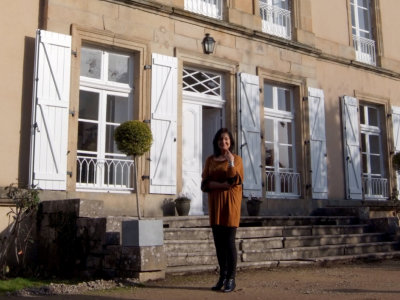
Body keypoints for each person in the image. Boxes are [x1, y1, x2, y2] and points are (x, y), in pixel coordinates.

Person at [201, 128, 244, 293]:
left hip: (230, 204)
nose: (223, 142)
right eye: (220, 140)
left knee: (229, 242)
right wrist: (221, 185)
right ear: (216, 142)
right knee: (218, 243)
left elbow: (234, 180)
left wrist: (231, 162)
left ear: (231, 142)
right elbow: (205, 184)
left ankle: (231, 278)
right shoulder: (210, 160)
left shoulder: (237, 159)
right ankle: (223, 276)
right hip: (215, 204)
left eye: (226, 139)